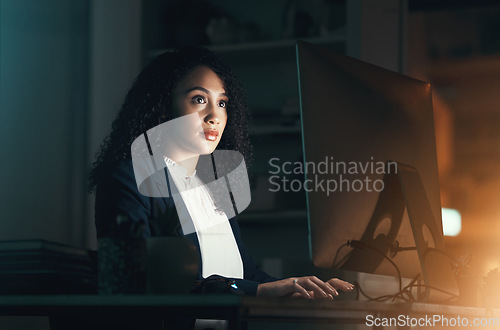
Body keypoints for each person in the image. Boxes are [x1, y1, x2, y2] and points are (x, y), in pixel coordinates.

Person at [89, 46, 354, 301]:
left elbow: (243, 275)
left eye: (223, 103)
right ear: (162, 106)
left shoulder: (211, 189)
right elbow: (139, 279)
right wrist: (258, 291)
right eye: (199, 99)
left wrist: (299, 288)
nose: (215, 115)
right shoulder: (128, 178)